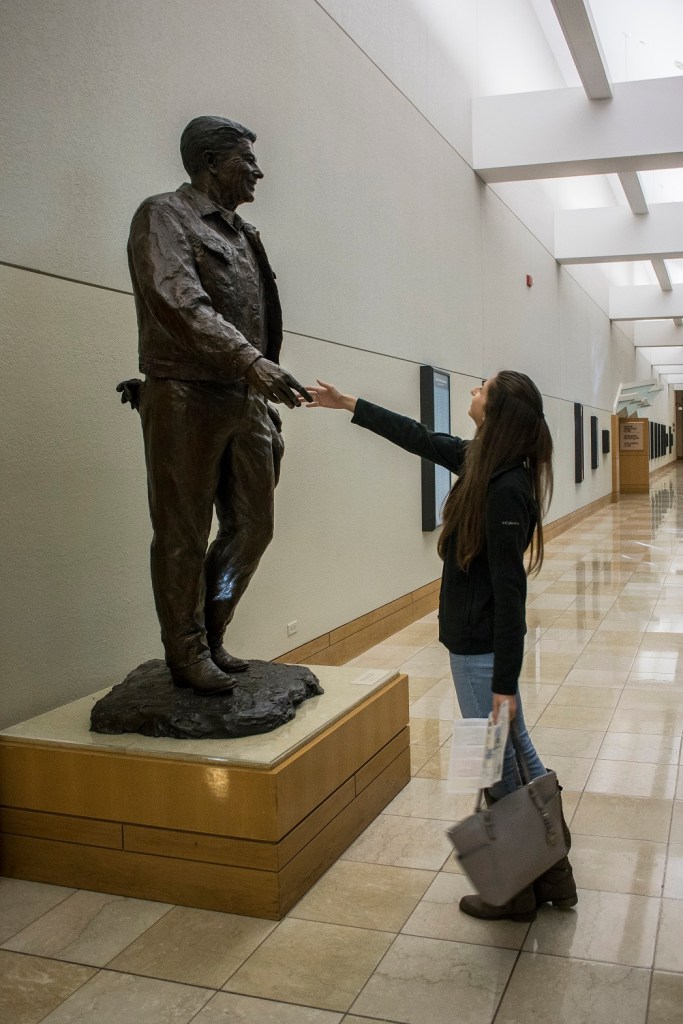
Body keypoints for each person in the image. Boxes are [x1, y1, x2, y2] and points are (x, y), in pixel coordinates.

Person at [303, 373, 577, 921]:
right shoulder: (484, 462)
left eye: (481, 389)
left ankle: (516, 889)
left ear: (496, 411)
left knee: (496, 764)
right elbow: (419, 437)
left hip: (481, 656)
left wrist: (503, 683)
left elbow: (510, 594)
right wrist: (347, 403)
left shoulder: (505, 489)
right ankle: (552, 876)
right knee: (517, 754)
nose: (472, 393)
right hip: (476, 651)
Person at [125, 115, 310, 694]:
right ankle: (185, 652)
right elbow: (177, 300)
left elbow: (263, 319)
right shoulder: (163, 215)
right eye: (246, 159)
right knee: (182, 531)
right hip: (184, 394)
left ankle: (208, 630)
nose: (258, 170)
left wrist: (258, 386)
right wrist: (250, 363)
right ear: (210, 161)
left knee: (254, 527)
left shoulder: (244, 234)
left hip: (243, 395)